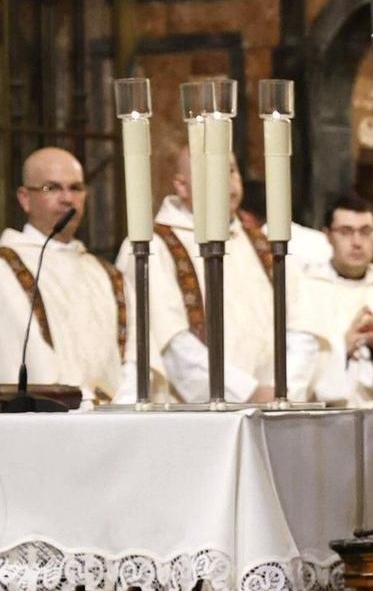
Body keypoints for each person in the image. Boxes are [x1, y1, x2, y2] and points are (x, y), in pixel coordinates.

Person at [0, 147, 125, 402]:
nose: (67, 199)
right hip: (47, 421)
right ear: (24, 198)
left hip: (115, 418)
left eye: (76, 188)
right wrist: (81, 404)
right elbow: (25, 360)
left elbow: (133, 358)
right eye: (52, 188)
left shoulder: (104, 273)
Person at [118, 145, 309, 403]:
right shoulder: (150, 246)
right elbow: (169, 341)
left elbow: (301, 326)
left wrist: (285, 390)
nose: (227, 181)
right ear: (182, 186)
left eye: (231, 170)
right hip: (195, 414)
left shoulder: (264, 243)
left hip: (272, 409)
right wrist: (245, 393)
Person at [291, 192, 373, 407]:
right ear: (327, 236)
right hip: (325, 421)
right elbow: (295, 371)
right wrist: (344, 347)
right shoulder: (304, 290)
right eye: (346, 232)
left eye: (366, 232)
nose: (357, 242)